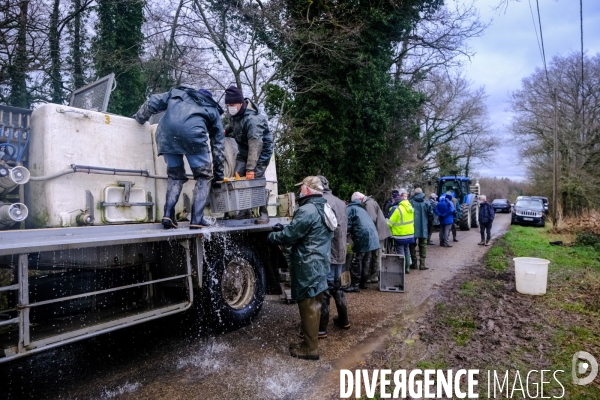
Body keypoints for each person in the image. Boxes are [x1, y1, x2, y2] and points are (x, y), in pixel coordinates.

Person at [133, 86, 225, 230]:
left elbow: (152, 102)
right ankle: (197, 219)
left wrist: (140, 118)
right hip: (193, 137)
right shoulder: (212, 109)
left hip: (166, 134)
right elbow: (218, 145)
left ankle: (168, 215)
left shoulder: (176, 93)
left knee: (175, 176)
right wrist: (219, 175)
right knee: (204, 176)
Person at [267, 176, 334, 360]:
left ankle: (310, 348)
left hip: (307, 264)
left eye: (302, 187)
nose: (300, 190)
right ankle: (308, 342)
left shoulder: (307, 209)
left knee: (308, 305)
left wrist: (272, 237)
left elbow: (290, 235)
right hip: (320, 261)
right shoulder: (324, 206)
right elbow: (309, 230)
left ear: (308, 189)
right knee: (317, 302)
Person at [223, 86, 274, 224]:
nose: (230, 108)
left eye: (232, 105)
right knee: (238, 177)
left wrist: (251, 168)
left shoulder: (253, 120)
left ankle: (264, 213)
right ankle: (245, 210)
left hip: (260, 151)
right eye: (228, 105)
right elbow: (233, 124)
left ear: (240, 103)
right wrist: (226, 131)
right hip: (244, 151)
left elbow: (255, 144)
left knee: (256, 181)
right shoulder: (236, 114)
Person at [317, 175, 350, 337]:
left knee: (325, 289)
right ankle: (344, 320)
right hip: (340, 251)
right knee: (337, 286)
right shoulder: (340, 202)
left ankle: (321, 328)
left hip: (328, 252)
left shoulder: (321, 202)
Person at [353, 192, 392, 283]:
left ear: (359, 199)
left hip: (378, 233)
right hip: (377, 232)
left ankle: (375, 276)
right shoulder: (369, 202)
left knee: (377, 255)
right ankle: (374, 274)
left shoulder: (368, 204)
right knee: (374, 254)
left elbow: (371, 220)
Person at [346, 195, 380, 291]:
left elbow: (347, 225)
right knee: (366, 259)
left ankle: (355, 285)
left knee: (357, 260)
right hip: (372, 235)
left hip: (362, 236)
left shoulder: (350, 209)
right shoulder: (362, 209)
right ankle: (363, 283)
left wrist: (345, 235)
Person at [387, 189, 415, 274]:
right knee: (407, 249)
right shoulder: (410, 208)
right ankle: (407, 268)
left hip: (400, 235)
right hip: (409, 234)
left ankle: (402, 269)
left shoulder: (397, 209)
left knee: (400, 251)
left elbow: (389, 223)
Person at [409, 188, 432, 271]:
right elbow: (430, 215)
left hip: (412, 227)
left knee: (412, 245)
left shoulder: (410, 202)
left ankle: (414, 263)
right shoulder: (426, 202)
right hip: (423, 228)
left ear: (414, 194)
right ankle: (422, 264)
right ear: (422, 193)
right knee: (423, 246)